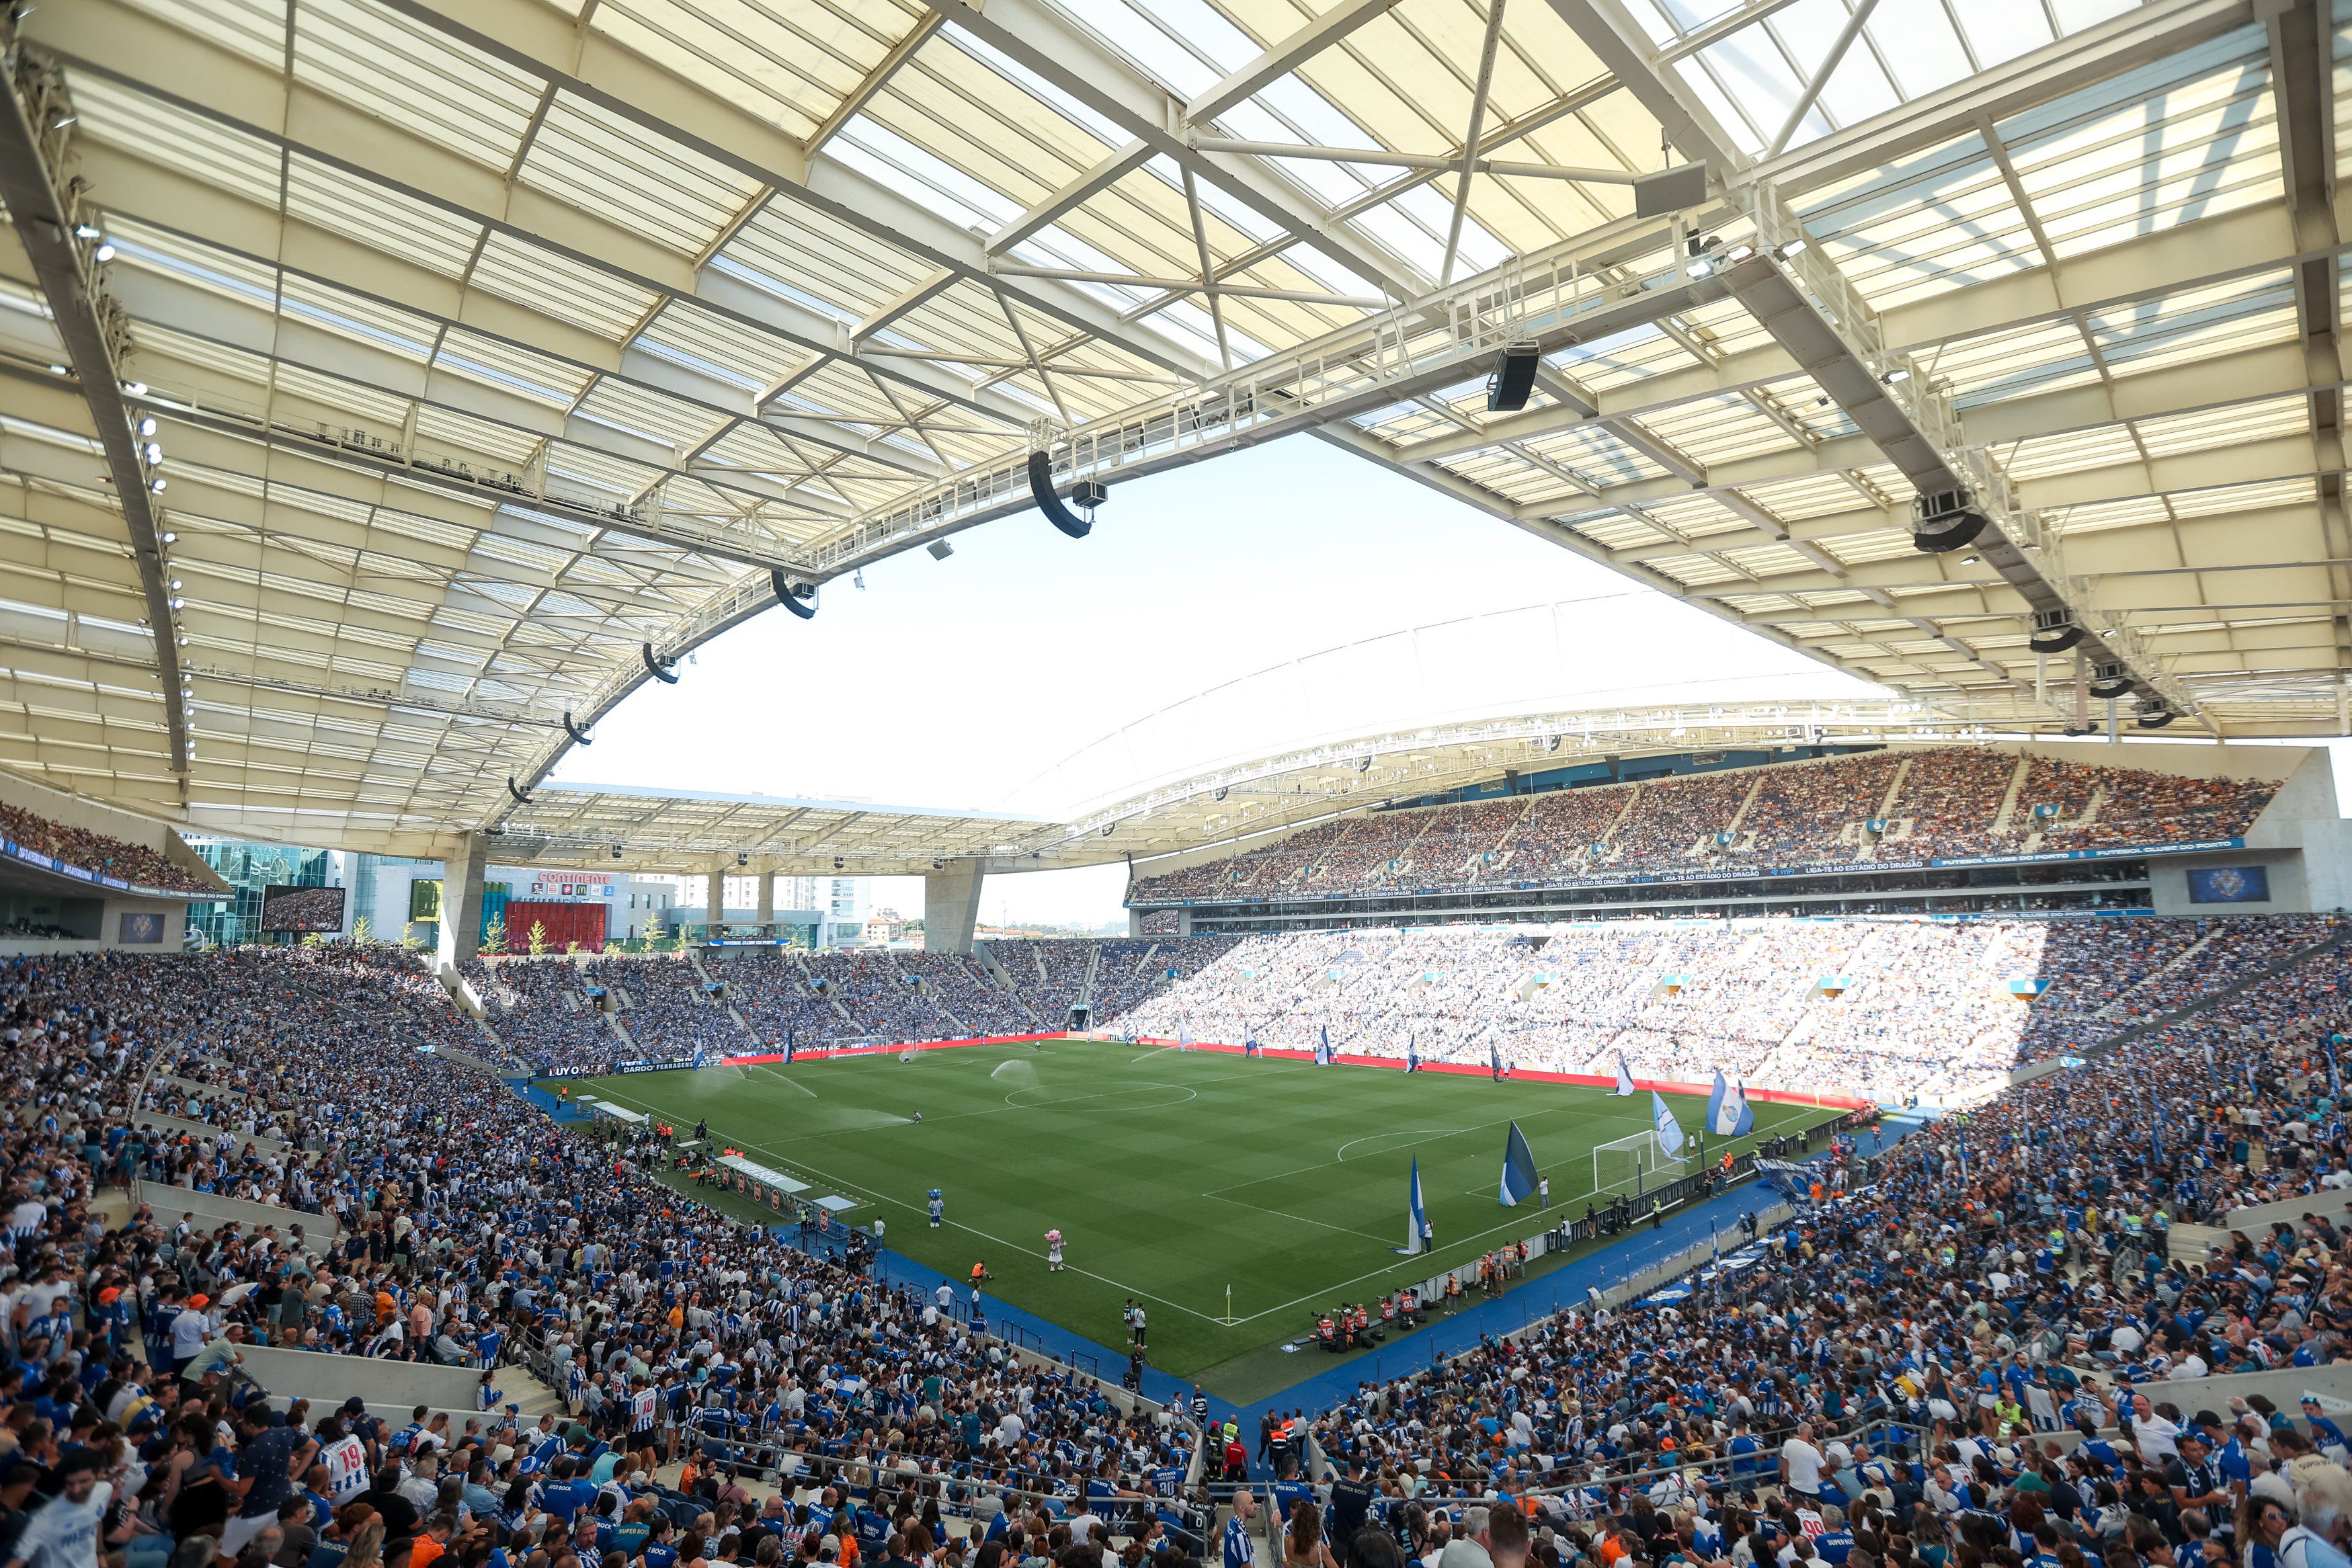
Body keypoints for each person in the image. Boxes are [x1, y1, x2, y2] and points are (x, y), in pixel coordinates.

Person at [5, 1451, 110, 1568]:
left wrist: (100, 1555)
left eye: (83, 1482)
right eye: (70, 1484)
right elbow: (16, 1561)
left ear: (97, 1476)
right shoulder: (43, 1521)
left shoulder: (105, 1490)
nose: (76, 1490)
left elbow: (97, 1518)